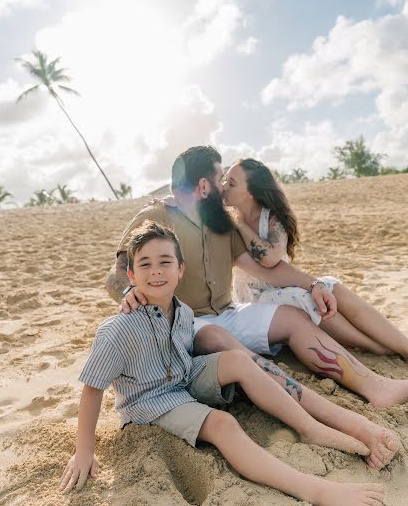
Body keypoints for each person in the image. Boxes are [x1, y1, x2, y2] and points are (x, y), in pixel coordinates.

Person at [62, 220, 396, 506]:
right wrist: (84, 452)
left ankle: (308, 427)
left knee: (239, 359)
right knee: (223, 423)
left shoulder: (183, 312)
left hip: (183, 377)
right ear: (131, 276)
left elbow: (186, 355)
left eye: (165, 262)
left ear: (181, 270)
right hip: (150, 402)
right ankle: (316, 491)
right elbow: (92, 390)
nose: (156, 272)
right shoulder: (116, 329)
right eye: (145, 265)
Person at [106, 145, 408, 407]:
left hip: (228, 312)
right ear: (203, 186)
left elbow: (268, 269)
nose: (223, 185)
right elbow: (116, 275)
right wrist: (125, 292)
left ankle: (375, 387)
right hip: (184, 323)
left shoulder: (222, 223)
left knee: (292, 317)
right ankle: (300, 399)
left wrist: (314, 284)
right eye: (219, 178)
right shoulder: (154, 217)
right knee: (215, 336)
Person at [224, 158, 408, 359]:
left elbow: (271, 257)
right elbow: (267, 263)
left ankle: (402, 345)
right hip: (254, 300)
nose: (223, 187)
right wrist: (240, 225)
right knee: (303, 297)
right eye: (225, 180)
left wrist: (241, 224)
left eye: (231, 183)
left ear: (251, 192)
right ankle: (377, 347)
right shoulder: (230, 227)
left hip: (283, 286)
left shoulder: (272, 218)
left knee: (330, 284)